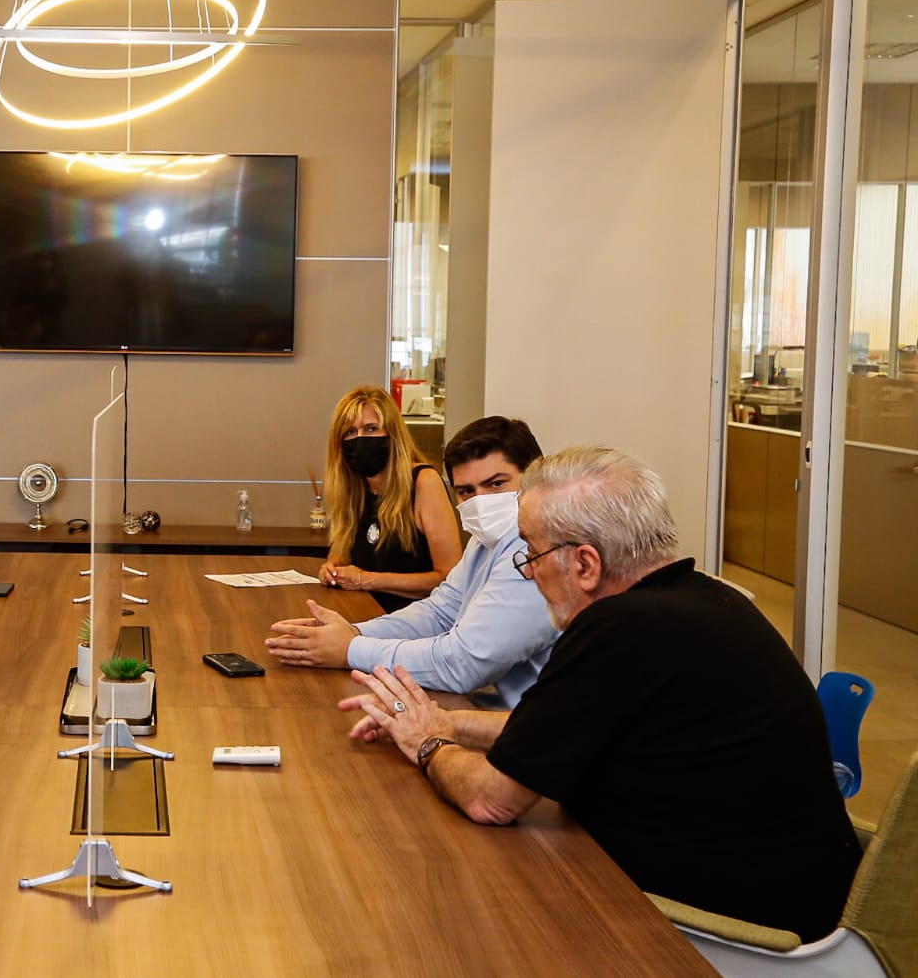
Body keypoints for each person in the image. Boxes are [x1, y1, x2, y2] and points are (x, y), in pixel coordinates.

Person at [340, 447, 860, 941]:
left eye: (532, 554)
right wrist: (448, 723)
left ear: (586, 564)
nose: (529, 571)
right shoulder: (705, 598)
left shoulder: (617, 629)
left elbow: (490, 800)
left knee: (441, 909)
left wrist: (427, 744)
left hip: (730, 926)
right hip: (800, 891)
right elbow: (556, 727)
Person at [266, 416, 555, 708]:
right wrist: (354, 632)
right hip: (485, 710)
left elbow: (463, 664)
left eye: (495, 484)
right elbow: (439, 613)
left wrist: (350, 649)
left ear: (533, 478)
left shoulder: (537, 550)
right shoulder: (488, 540)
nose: (481, 501)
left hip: (523, 730)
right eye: (466, 491)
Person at [318, 385, 460, 611]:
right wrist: (331, 569)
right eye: (350, 432)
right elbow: (340, 557)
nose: (360, 439)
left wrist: (366, 579)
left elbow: (450, 578)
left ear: (392, 434)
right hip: (363, 614)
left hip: (418, 624)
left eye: (372, 429)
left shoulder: (424, 482)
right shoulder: (353, 489)